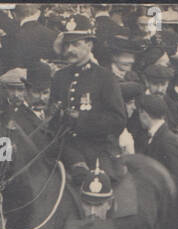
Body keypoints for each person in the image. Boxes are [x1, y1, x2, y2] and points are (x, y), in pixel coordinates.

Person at [49, 16, 126, 177]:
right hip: (63, 148)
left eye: (76, 44)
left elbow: (117, 120)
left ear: (89, 45)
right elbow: (52, 116)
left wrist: (81, 118)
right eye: (67, 44)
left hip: (96, 149)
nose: (70, 50)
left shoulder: (105, 77)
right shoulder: (59, 77)